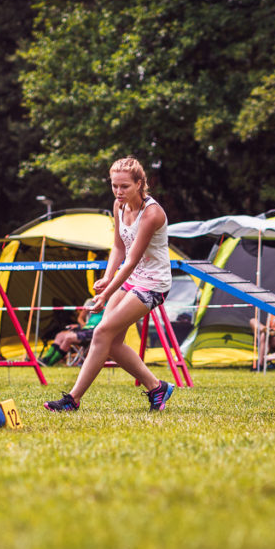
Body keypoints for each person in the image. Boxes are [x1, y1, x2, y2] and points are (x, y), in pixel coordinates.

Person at [44, 157, 175, 412]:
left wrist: (106, 294)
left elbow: (131, 259)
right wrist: (106, 277)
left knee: (102, 332)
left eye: (124, 186)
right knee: (112, 344)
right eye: (114, 186)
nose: (118, 192)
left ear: (140, 184)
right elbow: (118, 246)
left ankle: (72, 400)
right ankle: (156, 387)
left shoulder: (152, 213)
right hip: (131, 278)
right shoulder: (118, 205)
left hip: (153, 284)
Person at [40, 298, 103, 366]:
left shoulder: (110, 303)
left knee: (68, 337)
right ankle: (46, 359)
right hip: (86, 329)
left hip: (95, 331)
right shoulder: (92, 302)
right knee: (60, 335)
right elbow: (81, 319)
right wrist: (80, 326)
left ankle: (50, 363)